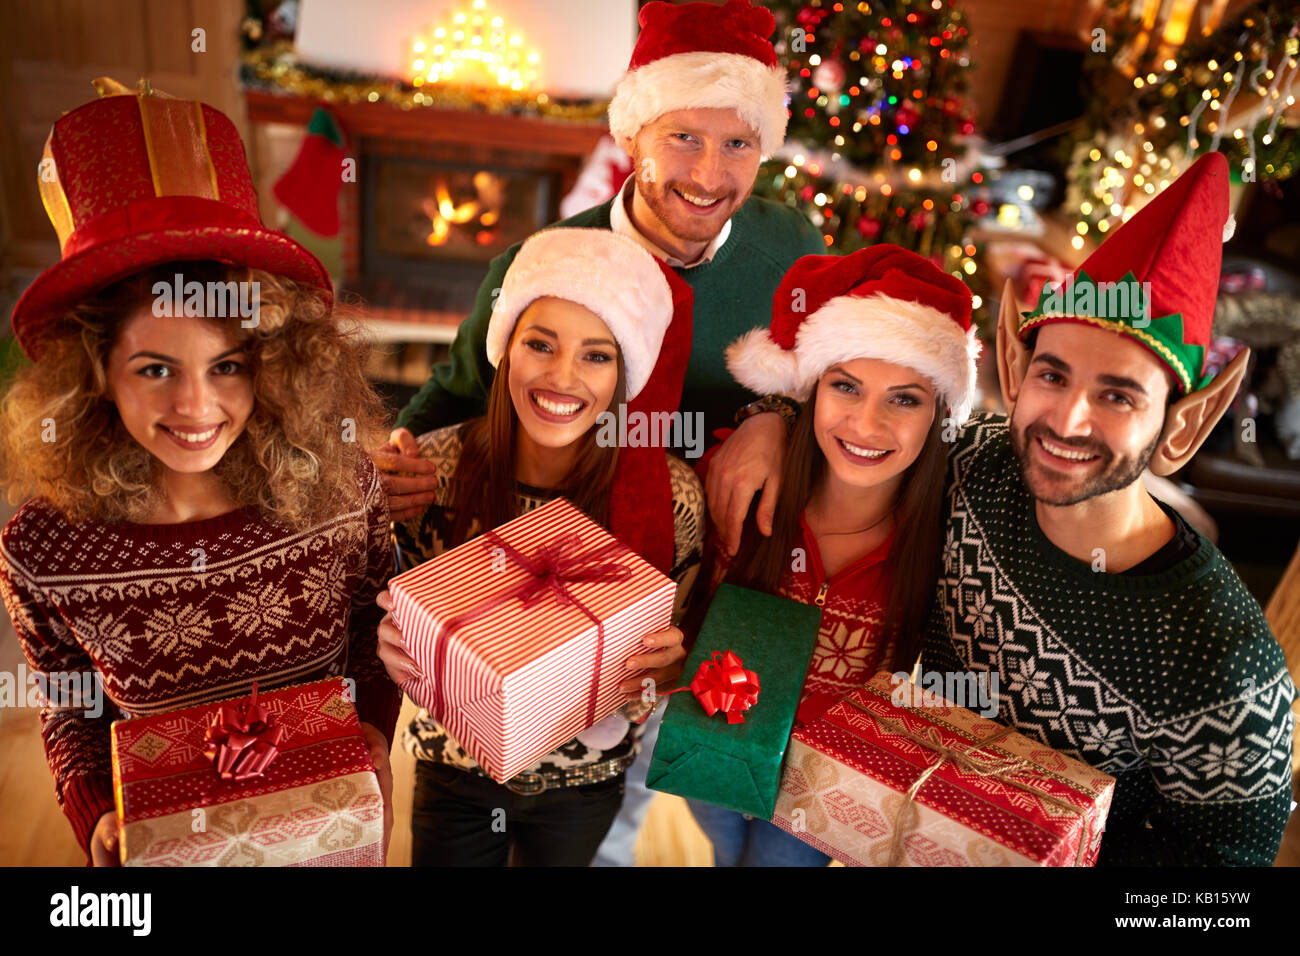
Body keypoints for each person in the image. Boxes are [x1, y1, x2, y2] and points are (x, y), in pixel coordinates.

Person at [374, 0, 826, 867]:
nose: (708, 171)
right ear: (636, 135)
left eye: (737, 143)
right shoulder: (546, 261)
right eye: (683, 137)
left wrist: (778, 417)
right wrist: (402, 452)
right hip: (564, 541)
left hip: (707, 545)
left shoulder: (789, 249)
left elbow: (827, 374)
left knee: (630, 774)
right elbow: (463, 387)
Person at [0, 83, 401, 866]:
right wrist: (94, 814)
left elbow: (367, 625)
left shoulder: (342, 486)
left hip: (327, 826)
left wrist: (374, 734)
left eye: (227, 366)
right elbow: (67, 696)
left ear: (275, 366)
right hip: (169, 844)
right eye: (155, 368)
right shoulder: (42, 547)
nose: (197, 406)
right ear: (94, 376)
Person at [921, 151, 1296, 865]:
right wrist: (769, 417)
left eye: (1118, 395)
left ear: (1178, 423)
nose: (1067, 420)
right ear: (1015, 371)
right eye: (1052, 375)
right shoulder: (976, 462)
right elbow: (863, 428)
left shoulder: (1226, 673)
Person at [372, 228, 706, 866]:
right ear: (503, 350)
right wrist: (391, 641)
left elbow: (668, 658)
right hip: (453, 770)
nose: (562, 377)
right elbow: (393, 613)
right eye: (540, 344)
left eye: (596, 356)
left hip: (585, 782)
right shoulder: (433, 473)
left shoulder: (671, 499)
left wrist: (665, 673)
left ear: (624, 375)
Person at [685, 244, 979, 866]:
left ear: (940, 411)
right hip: (711, 750)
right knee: (721, 849)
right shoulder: (735, 480)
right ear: (810, 391)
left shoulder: (948, 538)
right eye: (846, 386)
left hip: (827, 792)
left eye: (904, 398)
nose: (867, 424)